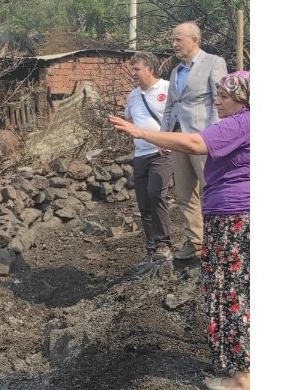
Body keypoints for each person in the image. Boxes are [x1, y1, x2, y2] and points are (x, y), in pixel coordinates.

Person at [109, 70, 250, 390]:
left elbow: (193, 142)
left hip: (233, 219)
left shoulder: (242, 122)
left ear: (241, 98)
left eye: (224, 96)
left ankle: (242, 377)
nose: (218, 101)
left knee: (232, 294)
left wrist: (142, 133)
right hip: (235, 217)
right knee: (235, 291)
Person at [161, 22, 228, 260]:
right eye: (173, 40)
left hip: (202, 137)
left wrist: (213, 136)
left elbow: (219, 100)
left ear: (194, 40)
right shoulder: (175, 71)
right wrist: (164, 137)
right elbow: (170, 106)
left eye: (178, 39)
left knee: (210, 188)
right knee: (184, 192)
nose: (174, 44)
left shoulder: (213, 62)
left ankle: (219, 239)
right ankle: (196, 241)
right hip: (178, 138)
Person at [124, 52, 174, 263]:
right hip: (140, 155)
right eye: (132, 69)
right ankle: (151, 248)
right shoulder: (133, 96)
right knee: (144, 203)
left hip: (161, 153)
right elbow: (129, 119)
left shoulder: (167, 88)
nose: (133, 73)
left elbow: (176, 116)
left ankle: (164, 245)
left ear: (150, 70)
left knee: (156, 195)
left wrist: (168, 140)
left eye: (137, 69)